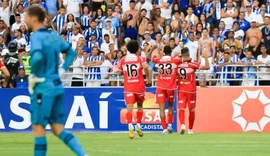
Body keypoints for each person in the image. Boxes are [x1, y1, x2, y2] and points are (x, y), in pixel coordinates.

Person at [24, 6, 88, 156]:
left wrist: (34, 75)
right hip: (57, 86)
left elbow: (38, 57)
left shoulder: (36, 36)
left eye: (26, 17)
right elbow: (71, 53)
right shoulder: (53, 36)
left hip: (43, 87)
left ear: (33, 19)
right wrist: (62, 69)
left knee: (39, 128)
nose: (25, 20)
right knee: (57, 128)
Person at [152, 46, 190, 135]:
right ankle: (169, 125)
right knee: (170, 107)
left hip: (161, 87)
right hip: (171, 87)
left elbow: (150, 58)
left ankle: (164, 129)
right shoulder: (174, 60)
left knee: (161, 109)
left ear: (163, 52)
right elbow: (188, 59)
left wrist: (152, 50)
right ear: (171, 52)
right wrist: (178, 56)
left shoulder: (159, 60)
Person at [117, 40, 148, 139]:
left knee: (129, 109)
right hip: (139, 86)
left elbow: (119, 71)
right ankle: (138, 125)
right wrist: (147, 77)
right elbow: (146, 67)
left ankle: (130, 127)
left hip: (129, 87)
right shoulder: (140, 59)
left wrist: (123, 73)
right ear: (137, 49)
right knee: (140, 106)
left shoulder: (123, 59)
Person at [178, 47, 210, 135]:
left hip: (181, 89)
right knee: (191, 110)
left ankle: (182, 125)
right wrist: (206, 57)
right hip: (191, 90)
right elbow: (207, 67)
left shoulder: (177, 64)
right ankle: (190, 130)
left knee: (181, 108)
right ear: (188, 54)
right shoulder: (192, 64)